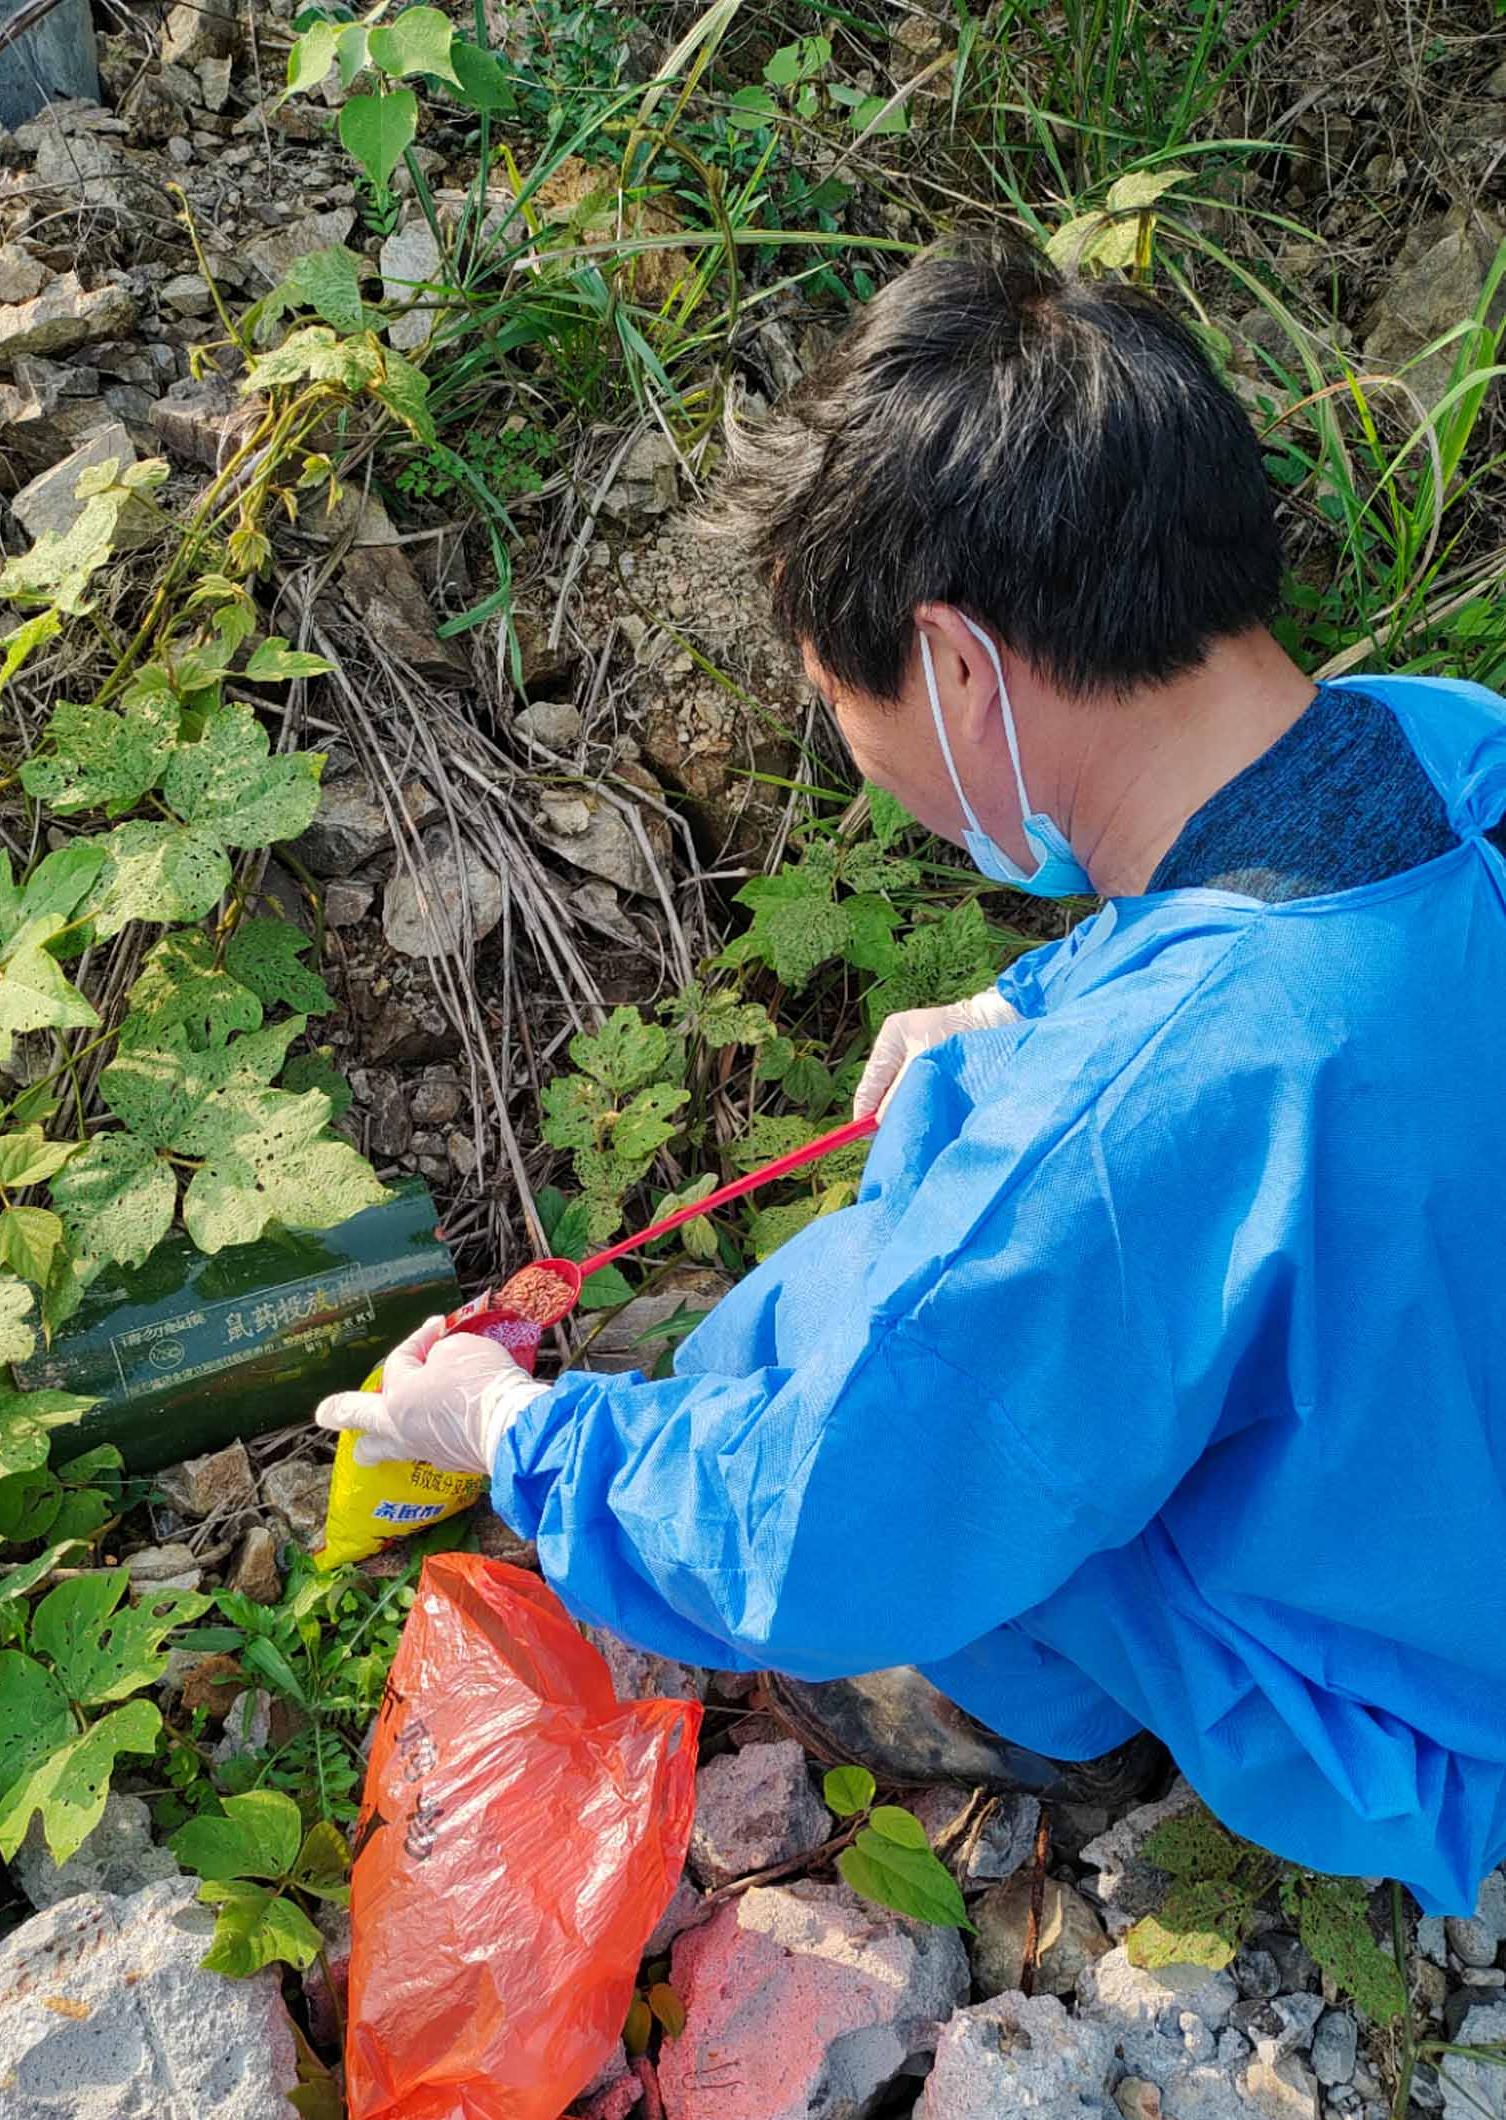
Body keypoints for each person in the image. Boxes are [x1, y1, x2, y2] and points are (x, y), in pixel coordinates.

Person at [318, 233, 1506, 1915]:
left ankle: (1057, 1725)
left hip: (1414, 1698)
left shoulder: (1129, 1132)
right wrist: (1042, 1007)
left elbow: (821, 1525)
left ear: (953, 666)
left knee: (866, 1434)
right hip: (1452, 1456)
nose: (860, 755)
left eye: (837, 701)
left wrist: (507, 1429)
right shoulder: (1439, 740)